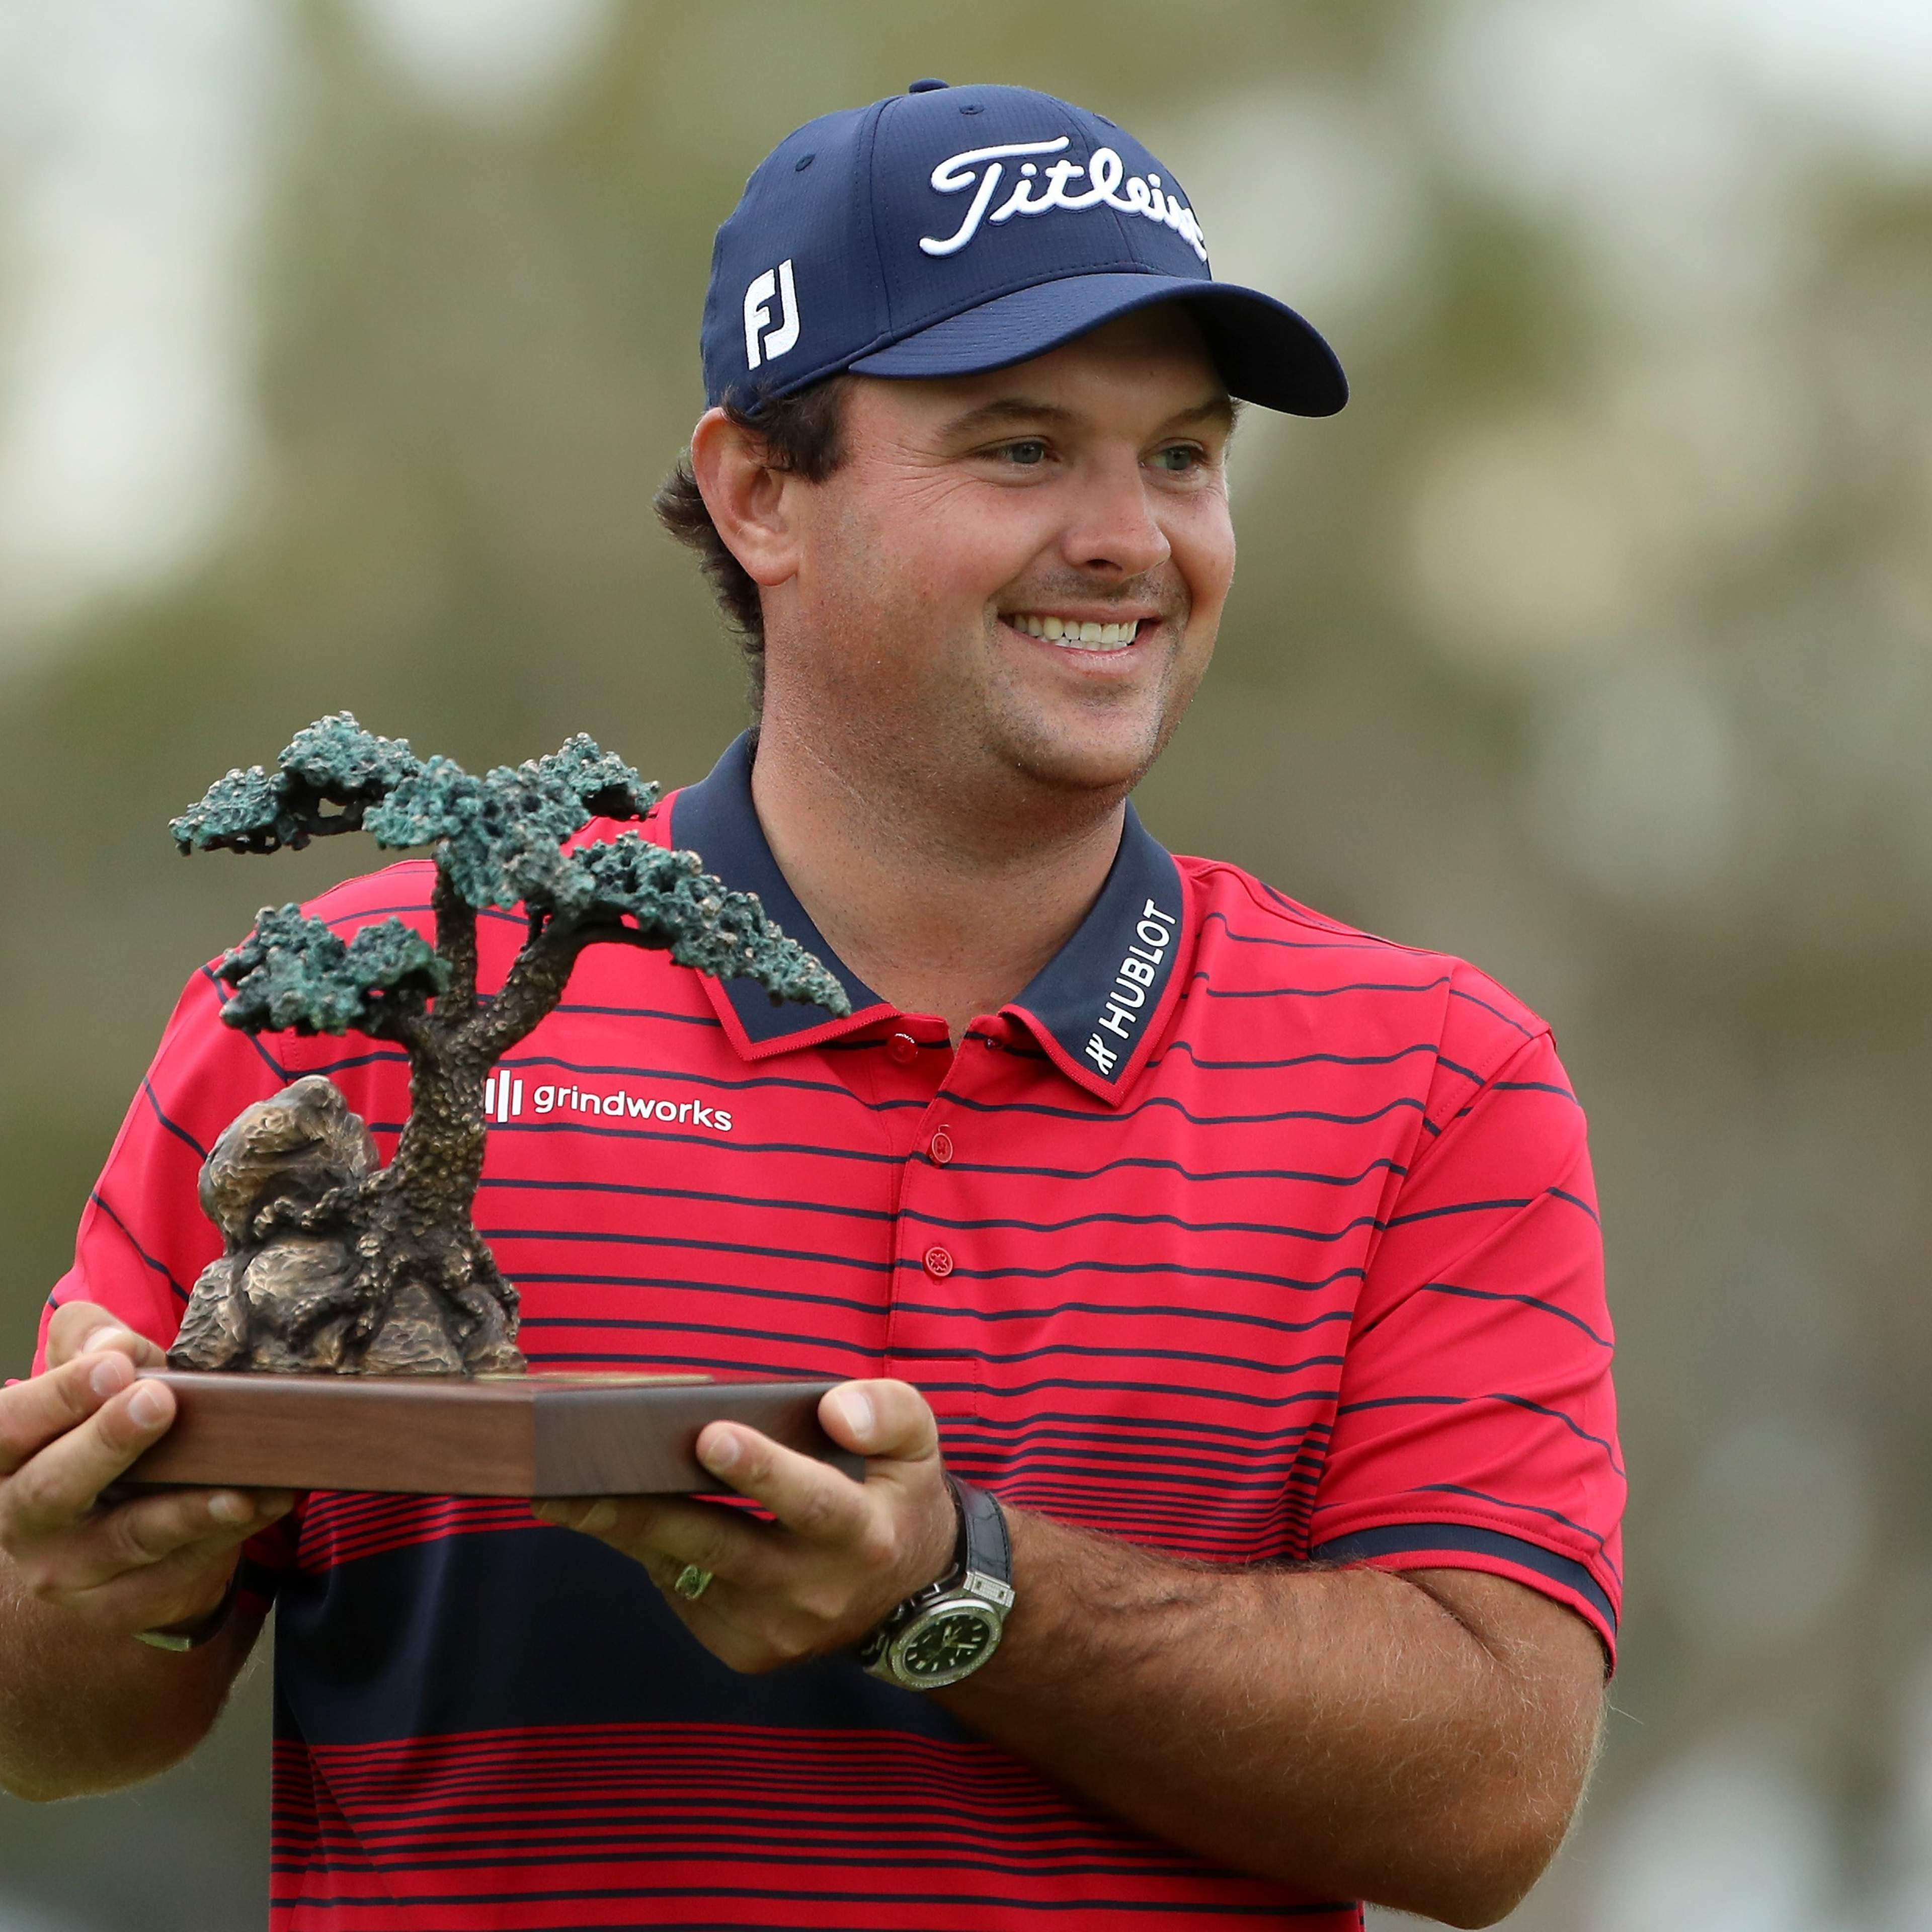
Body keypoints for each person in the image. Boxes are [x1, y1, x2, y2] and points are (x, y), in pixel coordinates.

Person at [0, 80, 1622, 1931]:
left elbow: (1494, 1787)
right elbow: (54, 1719)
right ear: (760, 491)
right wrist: (93, 1576)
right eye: (1021, 449)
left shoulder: (1431, 1073)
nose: (1129, 536)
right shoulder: (349, 1004)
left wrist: (955, 1591)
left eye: (1181, 454)